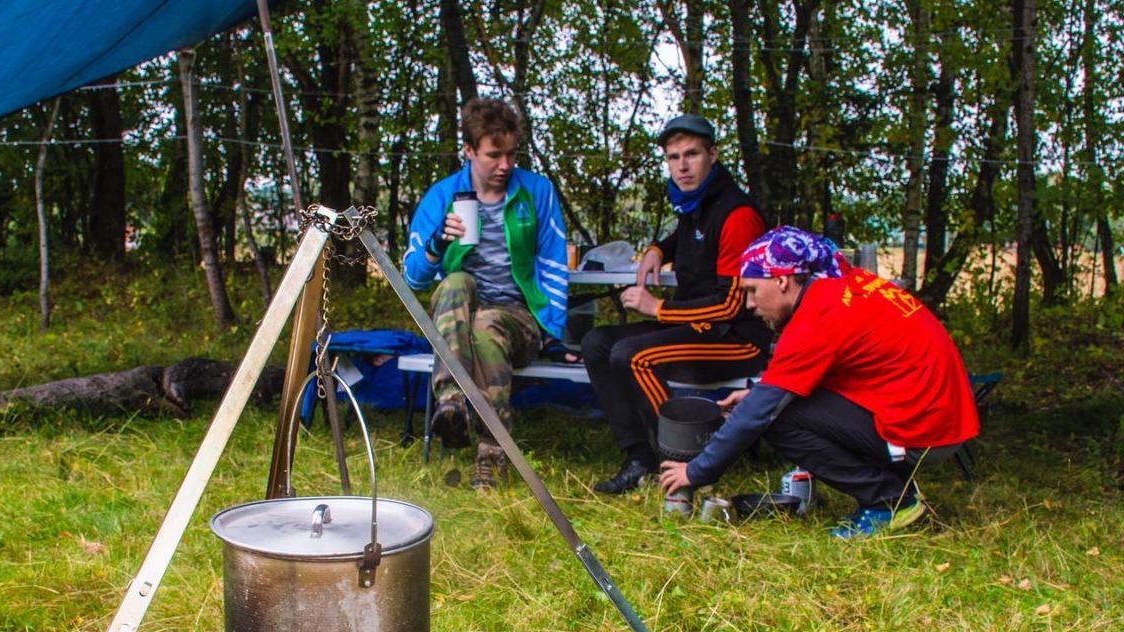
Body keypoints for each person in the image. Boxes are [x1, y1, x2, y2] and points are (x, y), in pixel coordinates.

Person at [659, 226, 980, 539]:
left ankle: (889, 500)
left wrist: (696, 471)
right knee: (777, 404)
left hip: (924, 429)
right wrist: (756, 394)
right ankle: (892, 484)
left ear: (782, 280)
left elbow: (760, 413)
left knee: (776, 421)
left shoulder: (817, 315)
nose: (750, 305)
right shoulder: (841, 287)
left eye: (753, 290)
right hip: (940, 415)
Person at [582, 114, 771, 495]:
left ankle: (687, 461)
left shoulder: (737, 215)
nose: (681, 166)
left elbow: (732, 304)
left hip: (736, 337)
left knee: (634, 356)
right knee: (596, 343)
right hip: (698, 326)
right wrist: (657, 249)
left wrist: (659, 309)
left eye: (691, 154)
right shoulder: (696, 203)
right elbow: (687, 235)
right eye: (673, 157)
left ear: (712, 155)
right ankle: (639, 458)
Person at [403, 97, 570, 489]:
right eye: (494, 155)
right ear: (469, 151)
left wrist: (554, 333)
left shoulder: (537, 192)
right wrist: (438, 245)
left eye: (511, 154)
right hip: (460, 315)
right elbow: (412, 279)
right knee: (456, 282)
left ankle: (484, 445)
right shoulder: (443, 196)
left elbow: (555, 265)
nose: (505, 165)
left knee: (488, 324)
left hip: (520, 316)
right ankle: (453, 407)